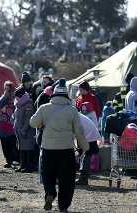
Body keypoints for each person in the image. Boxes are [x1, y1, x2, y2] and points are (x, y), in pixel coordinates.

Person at [30, 78, 89, 212]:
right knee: (66, 179)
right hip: (66, 149)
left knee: (48, 174)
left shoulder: (44, 108)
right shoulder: (72, 110)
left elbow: (32, 123)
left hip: (48, 148)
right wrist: (85, 147)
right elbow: (79, 131)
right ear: (66, 96)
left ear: (54, 94)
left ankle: (50, 193)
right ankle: (63, 206)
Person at [0, 81, 18, 168]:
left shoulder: (16, 98)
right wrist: (4, 97)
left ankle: (17, 159)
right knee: (4, 143)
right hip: (2, 125)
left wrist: (6, 107)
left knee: (13, 143)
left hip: (11, 124)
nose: (7, 91)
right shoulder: (3, 97)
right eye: (5, 89)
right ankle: (8, 160)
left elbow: (16, 107)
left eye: (8, 89)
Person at [12, 87, 35, 173]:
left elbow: (29, 118)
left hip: (26, 131)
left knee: (28, 149)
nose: (16, 98)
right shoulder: (18, 104)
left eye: (17, 97)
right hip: (19, 130)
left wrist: (24, 130)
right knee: (22, 149)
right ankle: (23, 165)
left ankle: (29, 166)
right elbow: (16, 117)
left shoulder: (27, 104)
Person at [75, 112, 101, 185]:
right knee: (86, 156)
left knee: (86, 156)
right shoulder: (78, 116)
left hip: (88, 137)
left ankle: (83, 178)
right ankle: (83, 178)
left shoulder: (75, 116)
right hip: (90, 136)